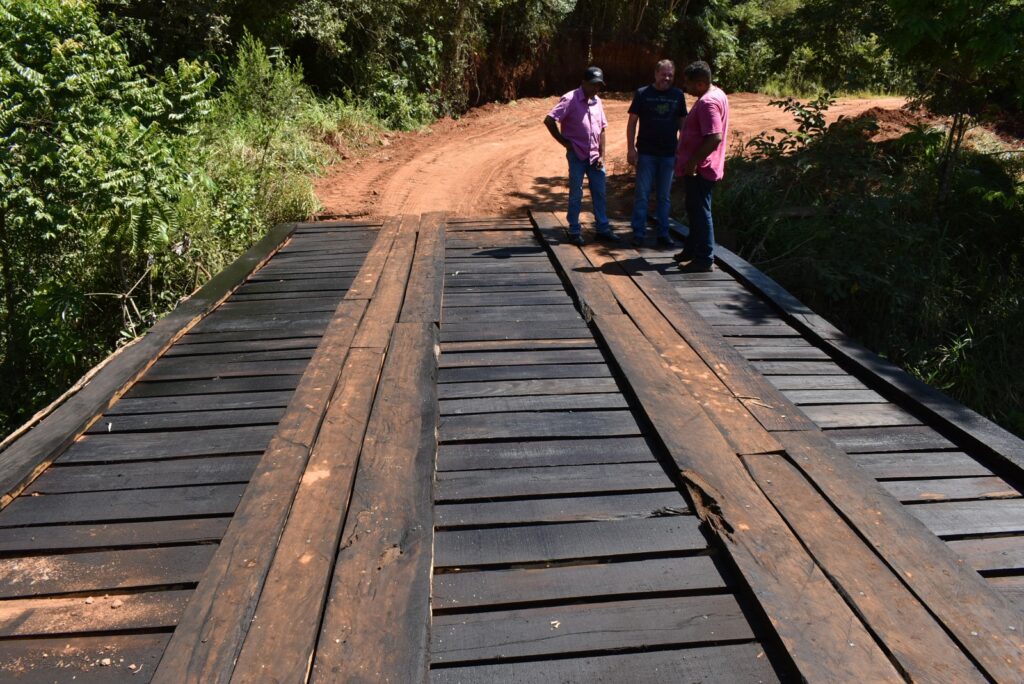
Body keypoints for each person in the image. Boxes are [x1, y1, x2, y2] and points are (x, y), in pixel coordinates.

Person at [544, 66, 620, 245]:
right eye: (593, 85)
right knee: (576, 193)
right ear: (583, 83)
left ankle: (602, 229)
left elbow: (602, 129)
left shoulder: (597, 102)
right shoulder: (570, 99)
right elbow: (549, 120)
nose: (596, 89)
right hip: (577, 155)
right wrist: (565, 143)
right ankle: (574, 230)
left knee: (600, 192)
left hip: (595, 157)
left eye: (599, 86)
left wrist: (602, 155)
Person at [674, 60, 730, 272]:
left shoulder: (708, 103)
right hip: (702, 166)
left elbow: (714, 136)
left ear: (700, 83)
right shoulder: (717, 94)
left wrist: (693, 161)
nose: (685, 88)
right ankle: (691, 249)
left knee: (701, 211)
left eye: (688, 84)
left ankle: (705, 258)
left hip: (701, 168)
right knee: (694, 208)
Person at [626, 59, 687, 248]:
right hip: (646, 153)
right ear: (655, 74)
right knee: (642, 194)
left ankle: (663, 233)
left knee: (664, 196)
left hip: (669, 154)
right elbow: (632, 122)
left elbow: (683, 125)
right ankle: (638, 233)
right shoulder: (643, 93)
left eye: (670, 75)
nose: (666, 78)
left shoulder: (678, 95)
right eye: (663, 74)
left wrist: (682, 149)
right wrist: (630, 148)